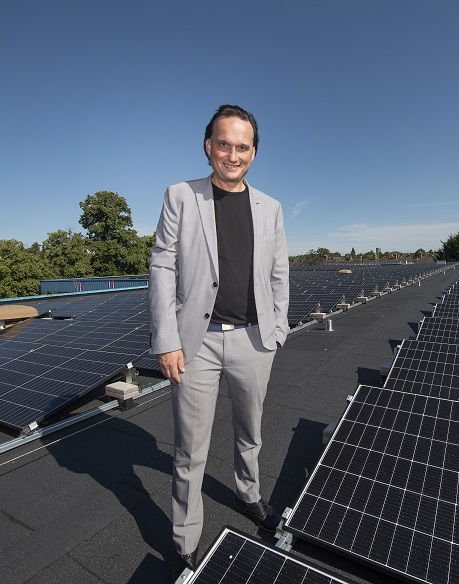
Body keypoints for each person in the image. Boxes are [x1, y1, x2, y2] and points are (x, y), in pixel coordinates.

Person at [148, 104, 289, 576]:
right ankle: (186, 538)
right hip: (196, 344)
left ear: (254, 152)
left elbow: (278, 273)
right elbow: (162, 265)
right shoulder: (181, 196)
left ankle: (248, 494)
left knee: (251, 430)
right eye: (223, 144)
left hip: (254, 339)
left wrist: (278, 328)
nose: (233, 154)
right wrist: (167, 339)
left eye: (242, 146)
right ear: (208, 146)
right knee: (191, 448)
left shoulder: (271, 208)